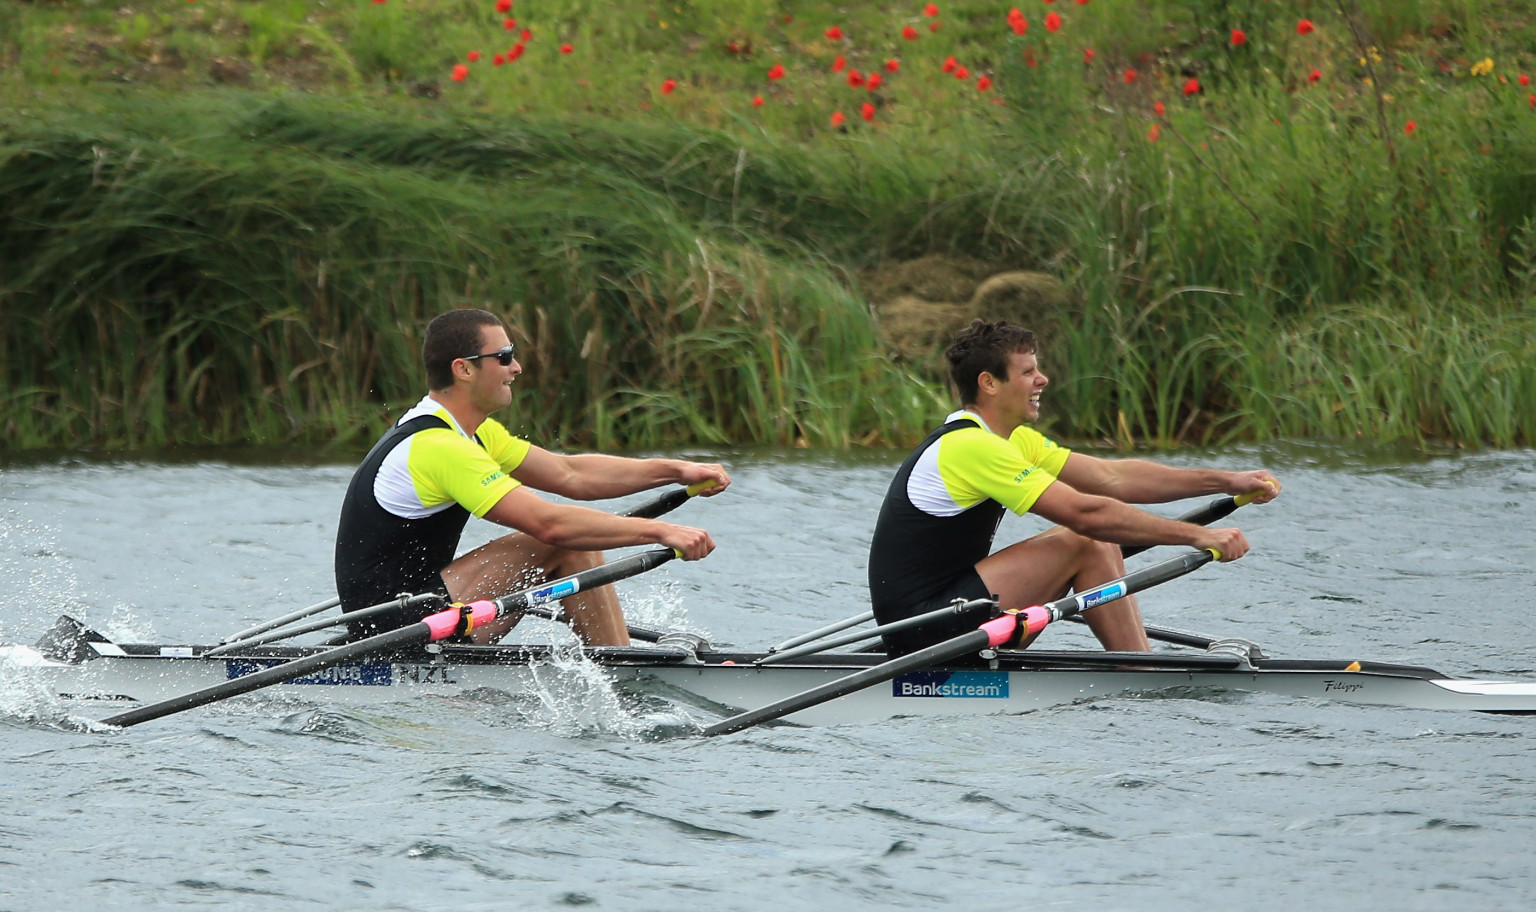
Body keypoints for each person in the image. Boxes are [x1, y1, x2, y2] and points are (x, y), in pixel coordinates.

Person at [867, 319, 1280, 656]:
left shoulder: (1013, 440)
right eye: (1028, 372)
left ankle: (1137, 667)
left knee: (1091, 540)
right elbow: (1087, 513)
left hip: (957, 612)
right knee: (1085, 539)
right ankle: (1139, 677)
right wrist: (1198, 535)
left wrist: (1225, 480)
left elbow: (1112, 479)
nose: (1042, 379)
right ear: (989, 383)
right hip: (922, 632)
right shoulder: (968, 445)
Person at [334, 308, 729, 647]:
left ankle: (617, 664)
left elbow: (570, 474)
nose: (517, 367)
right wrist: (662, 532)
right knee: (563, 544)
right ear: (464, 369)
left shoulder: (471, 432)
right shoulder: (440, 447)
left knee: (572, 542)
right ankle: (624, 672)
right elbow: (550, 525)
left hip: (420, 605)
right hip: (394, 627)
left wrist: (675, 471)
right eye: (504, 356)